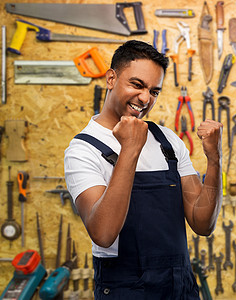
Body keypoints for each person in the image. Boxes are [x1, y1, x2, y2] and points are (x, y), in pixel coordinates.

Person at [64, 40, 222, 299]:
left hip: (179, 285)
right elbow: (103, 233)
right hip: (126, 288)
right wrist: (129, 149)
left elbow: (203, 223)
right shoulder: (82, 150)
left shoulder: (167, 140)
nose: (146, 98)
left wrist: (214, 159)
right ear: (111, 79)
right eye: (137, 85)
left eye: (154, 91)